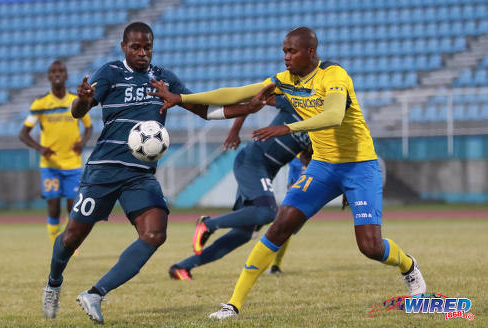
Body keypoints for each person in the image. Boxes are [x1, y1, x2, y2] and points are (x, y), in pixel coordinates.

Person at [149, 26, 427, 319]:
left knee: (370, 247)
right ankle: (232, 305)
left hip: (360, 167)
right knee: (279, 225)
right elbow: (236, 93)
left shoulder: (334, 75)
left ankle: (408, 265)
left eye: (292, 51)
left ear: (311, 52)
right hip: (323, 166)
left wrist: (287, 127)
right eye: (284, 51)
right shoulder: (284, 80)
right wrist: (182, 98)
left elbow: (333, 116)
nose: (286, 57)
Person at [41, 21, 275, 324]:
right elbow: (78, 110)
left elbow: (204, 110)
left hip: (140, 174)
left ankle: (95, 294)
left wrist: (249, 108)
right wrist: (83, 99)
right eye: (136, 47)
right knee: (72, 238)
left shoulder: (163, 78)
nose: (142, 53)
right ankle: (53, 282)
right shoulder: (110, 72)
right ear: (124, 47)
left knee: (154, 233)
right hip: (104, 170)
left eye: (147, 47)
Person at [168, 95, 311, 280]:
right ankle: (207, 224)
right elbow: (254, 100)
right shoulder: (296, 102)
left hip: (265, 171)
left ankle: (182, 267)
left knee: (243, 233)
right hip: (252, 161)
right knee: (267, 212)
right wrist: (234, 130)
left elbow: (307, 157)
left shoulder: (320, 125)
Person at [19, 60, 92, 245]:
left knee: (72, 206)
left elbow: (89, 128)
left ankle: (69, 242)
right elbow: (23, 133)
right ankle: (55, 242)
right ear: (49, 77)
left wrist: (82, 143)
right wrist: (41, 148)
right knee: (53, 206)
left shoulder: (76, 101)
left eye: (61, 71)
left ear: (66, 76)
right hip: (50, 165)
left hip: (73, 163)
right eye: (53, 71)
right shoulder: (40, 103)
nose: (57, 74)